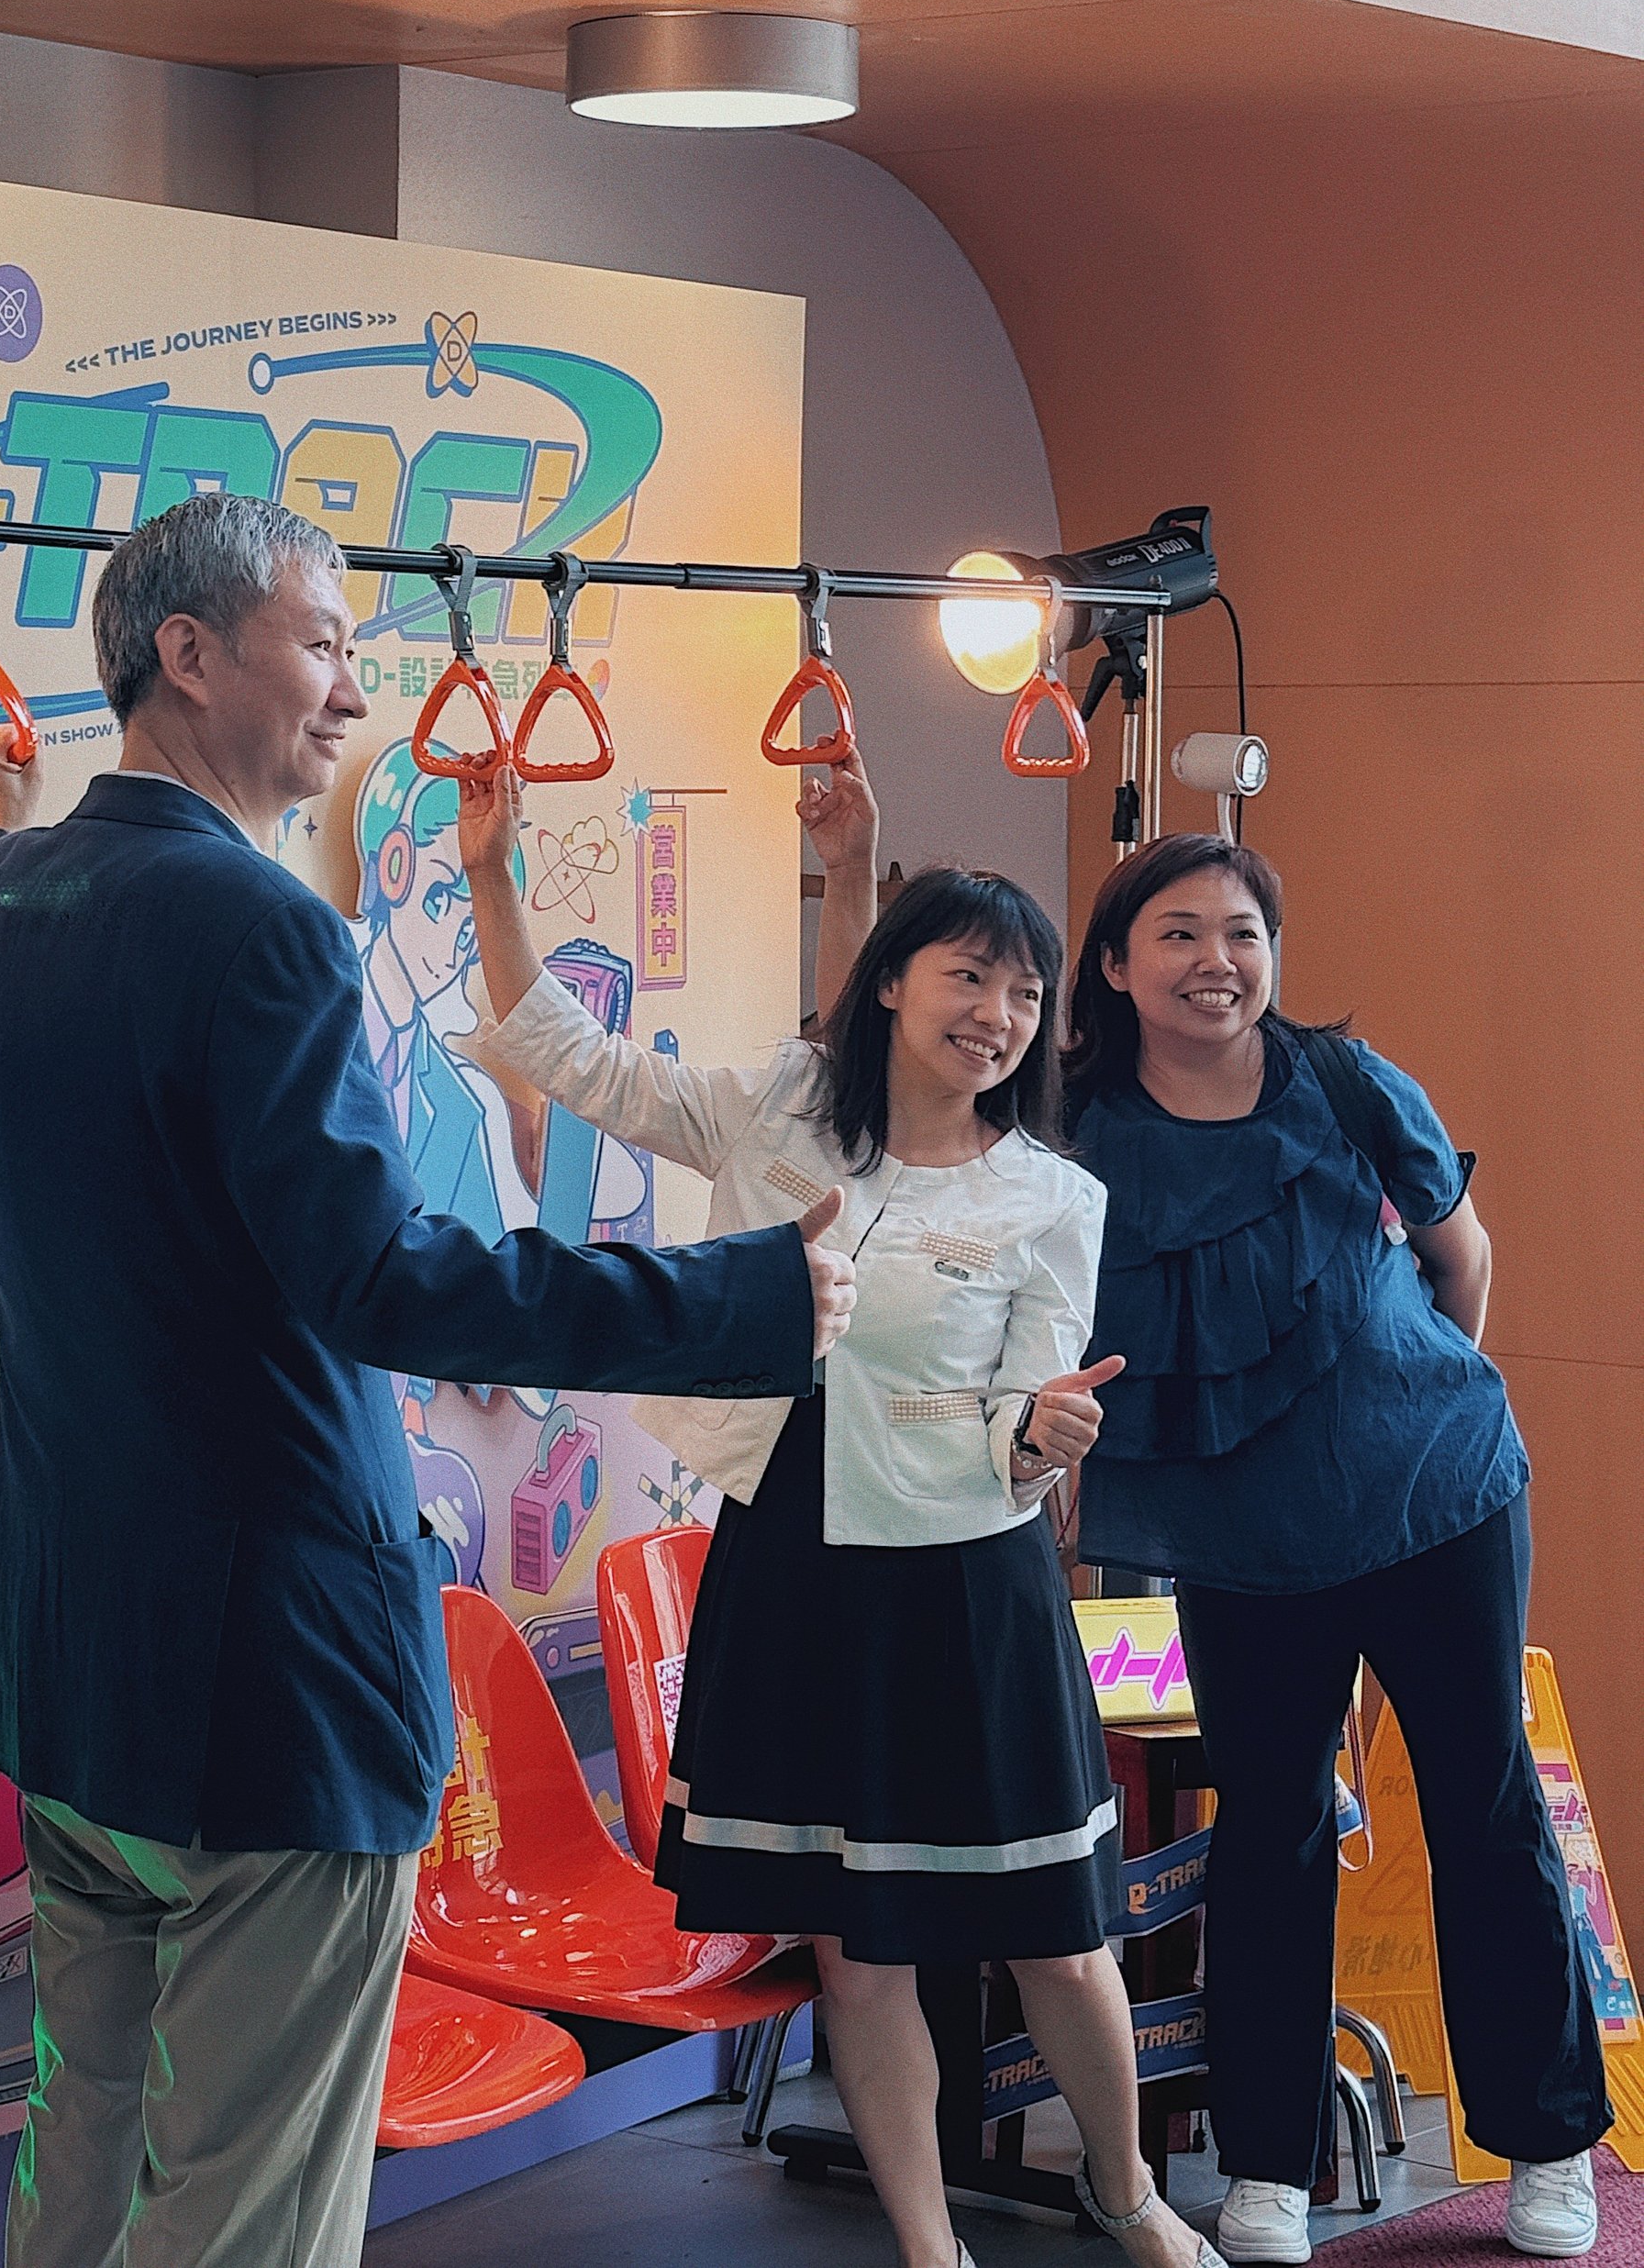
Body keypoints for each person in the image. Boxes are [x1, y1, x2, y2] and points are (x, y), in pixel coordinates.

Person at [0, 492, 855, 2268]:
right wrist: (743, 1297)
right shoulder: (262, 926)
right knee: (247, 2216)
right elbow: (383, 1276)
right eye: (325, 642)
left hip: (76, 1676)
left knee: (83, 2166)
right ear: (187, 654)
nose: (353, 688)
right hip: (265, 1691)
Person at [458, 753, 1218, 2268]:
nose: (995, 1014)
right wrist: (492, 872)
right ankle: (929, 2247)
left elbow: (1023, 1425)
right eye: (967, 976)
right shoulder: (783, 1110)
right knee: (857, 1953)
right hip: (799, 1565)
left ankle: (1126, 2191)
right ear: (890, 982)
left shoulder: (1053, 1197)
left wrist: (1044, 1437)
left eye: (1023, 993)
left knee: (1057, 1931)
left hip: (974, 1585)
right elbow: (573, 1056)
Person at [1064, 834, 1608, 2264]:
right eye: (1179, 932)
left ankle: (1547, 2138)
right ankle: (1268, 2168)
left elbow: (1460, 1258)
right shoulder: (1076, 1126)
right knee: (1273, 1827)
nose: (1216, 960)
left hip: (1436, 1495)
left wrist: (1402, 1407)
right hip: (1239, 1539)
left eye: (1242, 931)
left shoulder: (1348, 1082)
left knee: (1486, 1805)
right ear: (1116, 963)